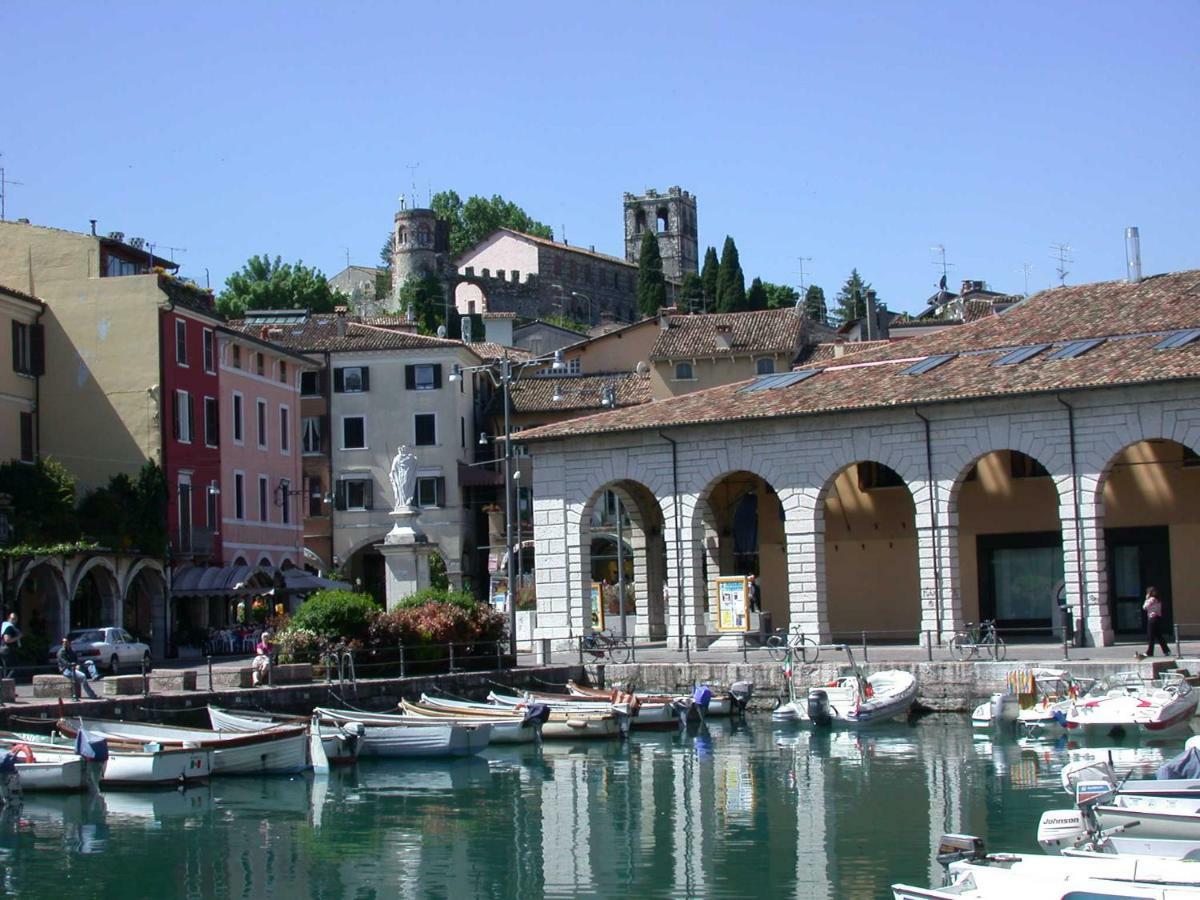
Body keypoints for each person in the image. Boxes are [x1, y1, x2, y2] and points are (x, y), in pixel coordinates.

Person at [1140, 586, 1171, 659]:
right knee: (1159, 635)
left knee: (1151, 636)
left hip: (1152, 618)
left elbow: (1144, 607)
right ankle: (1166, 650)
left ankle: (1149, 652)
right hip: (1158, 618)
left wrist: (1146, 599)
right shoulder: (1158, 600)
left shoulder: (1151, 599)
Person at [0, 613, 21, 680]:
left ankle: (5, 684)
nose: (14, 620)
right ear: (8, 618)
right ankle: (6, 684)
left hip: (4, 649)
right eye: (12, 618)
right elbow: (7, 639)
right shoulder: (8, 627)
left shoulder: (6, 626)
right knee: (11, 669)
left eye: (15, 619)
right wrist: (18, 637)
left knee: (6, 668)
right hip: (7, 650)